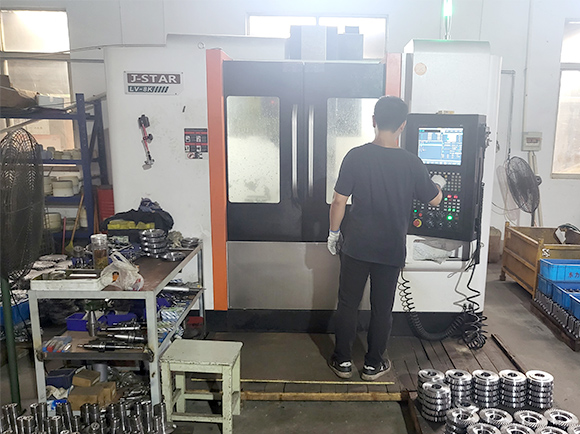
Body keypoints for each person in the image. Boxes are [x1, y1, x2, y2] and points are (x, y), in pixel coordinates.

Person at [326, 96, 445, 381]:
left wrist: (333, 233)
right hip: (390, 248)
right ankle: (373, 364)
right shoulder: (412, 162)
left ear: (373, 121)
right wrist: (438, 183)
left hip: (356, 246)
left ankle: (342, 361)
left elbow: (339, 200)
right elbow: (435, 199)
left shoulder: (355, 156)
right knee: (382, 308)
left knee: (348, 303)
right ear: (402, 125)